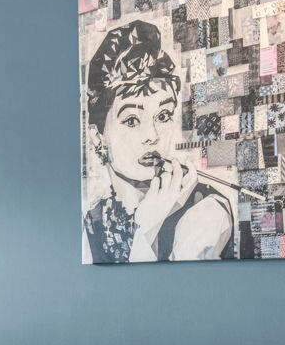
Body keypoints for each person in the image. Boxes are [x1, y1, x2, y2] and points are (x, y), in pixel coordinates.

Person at [81, 18, 234, 263]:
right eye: (132, 120)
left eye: (163, 116)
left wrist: (147, 227)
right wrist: (145, 224)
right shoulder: (93, 220)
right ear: (98, 137)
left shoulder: (204, 211)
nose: (152, 135)